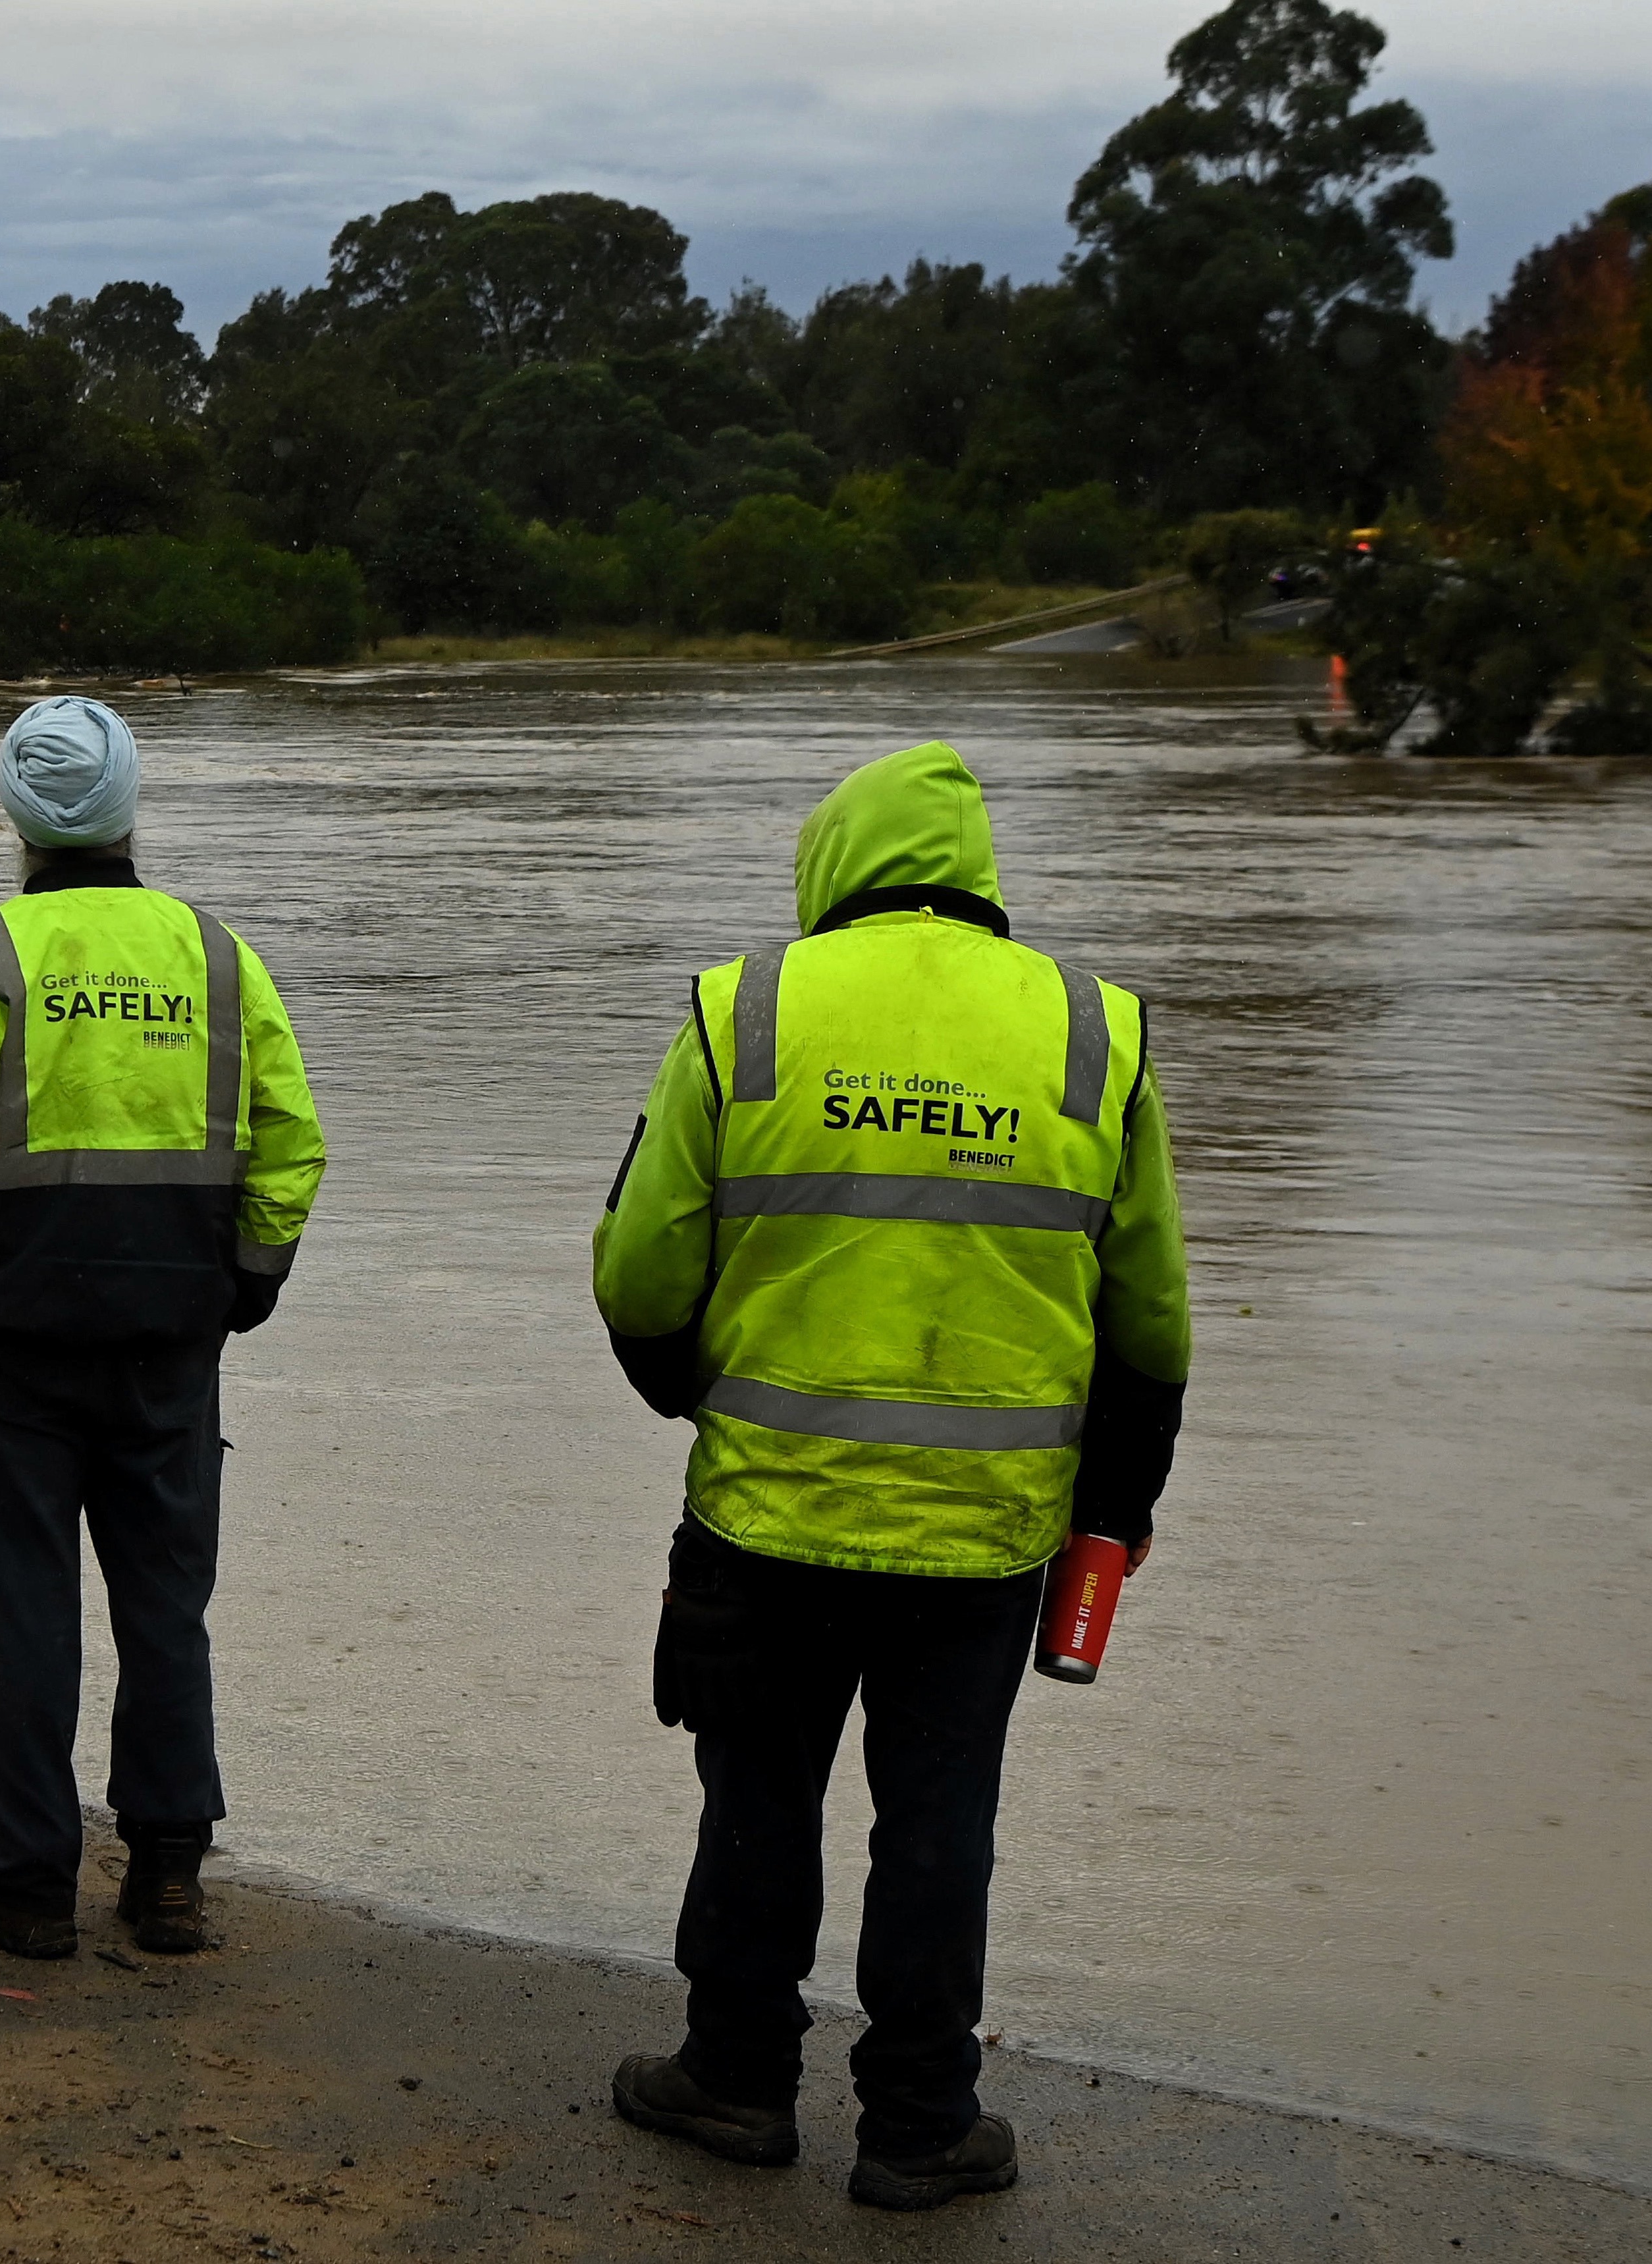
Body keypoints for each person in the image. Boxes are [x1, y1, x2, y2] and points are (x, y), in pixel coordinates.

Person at [590, 740, 1188, 2211]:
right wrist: (1114, 1502)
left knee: (753, 1801)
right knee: (935, 1827)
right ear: (974, 876)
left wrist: (690, 1395)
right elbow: (1151, 1313)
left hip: (763, 1512)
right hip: (982, 1539)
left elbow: (638, 1268)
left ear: (831, 864)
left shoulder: (749, 1010)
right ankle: (919, 2126)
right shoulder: (1087, 1029)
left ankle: (733, 2080)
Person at [0, 696, 325, 1959]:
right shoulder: (216, 958)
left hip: (5, 1347)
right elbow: (289, 1137)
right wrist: (252, 1277)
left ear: (15, 815)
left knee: (20, 1610)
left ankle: (21, 1885)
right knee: (165, 1606)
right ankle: (167, 1878)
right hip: (172, 1344)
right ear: (130, 809)